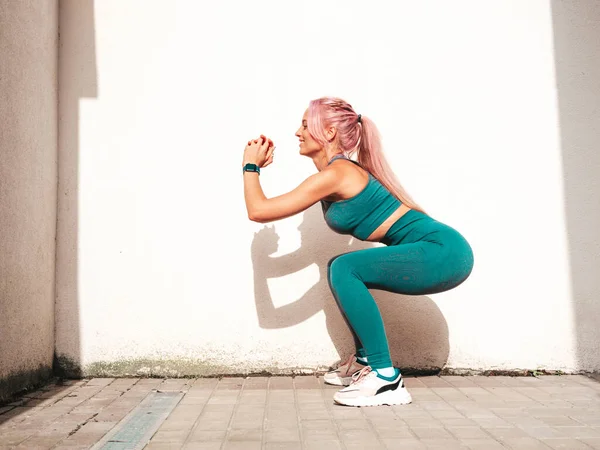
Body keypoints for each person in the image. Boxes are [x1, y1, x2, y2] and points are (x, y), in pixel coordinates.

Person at [242, 97, 474, 407]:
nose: (297, 132)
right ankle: (367, 364)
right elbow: (283, 265)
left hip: (443, 251)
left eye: (304, 125)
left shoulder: (337, 175)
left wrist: (250, 165)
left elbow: (259, 210)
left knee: (344, 267)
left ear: (328, 132)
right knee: (340, 265)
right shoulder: (336, 175)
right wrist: (264, 263)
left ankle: (385, 377)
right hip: (442, 251)